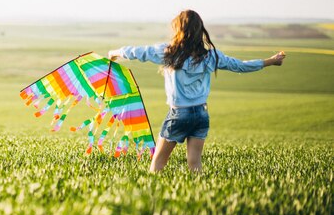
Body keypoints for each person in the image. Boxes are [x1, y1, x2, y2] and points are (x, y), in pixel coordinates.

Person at [107, 10, 285, 172]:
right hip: (201, 114)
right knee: (194, 163)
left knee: (158, 162)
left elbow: (137, 52)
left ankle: (153, 198)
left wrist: (114, 53)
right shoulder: (211, 56)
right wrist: (271, 61)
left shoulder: (168, 52)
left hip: (179, 115)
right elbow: (240, 65)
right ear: (200, 31)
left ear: (178, 30)